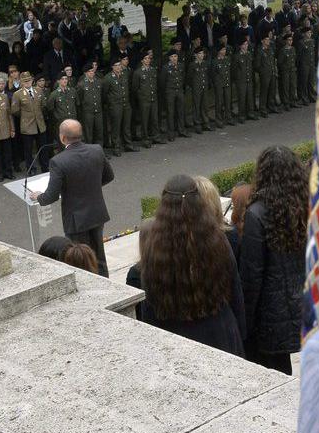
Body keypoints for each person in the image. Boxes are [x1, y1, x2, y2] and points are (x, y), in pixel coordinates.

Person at [128, 174, 244, 357]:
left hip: (174, 338)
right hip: (218, 332)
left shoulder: (153, 247)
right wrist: (239, 334)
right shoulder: (217, 239)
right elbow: (235, 291)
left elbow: (149, 303)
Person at [236, 145, 308, 374]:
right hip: (304, 301)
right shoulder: (306, 205)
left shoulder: (257, 213)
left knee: (274, 373)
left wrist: (244, 320)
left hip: (271, 312)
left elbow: (251, 274)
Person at [29, 120, 114, 277]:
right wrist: (91, 187)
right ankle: (107, 283)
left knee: (80, 259)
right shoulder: (96, 150)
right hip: (97, 212)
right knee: (99, 256)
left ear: (62, 138)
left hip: (76, 220)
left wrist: (38, 196)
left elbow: (51, 196)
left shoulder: (58, 161)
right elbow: (109, 176)